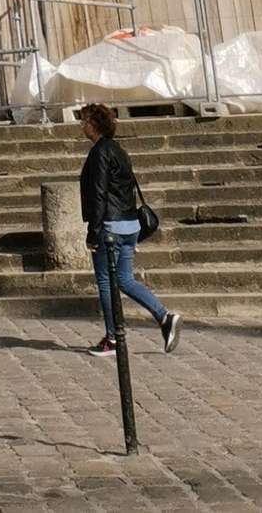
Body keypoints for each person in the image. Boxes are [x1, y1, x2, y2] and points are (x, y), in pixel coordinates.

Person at [78, 102, 180, 354]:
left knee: (105, 281)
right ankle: (164, 316)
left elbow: (99, 193)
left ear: (94, 124)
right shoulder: (119, 150)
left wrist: (93, 232)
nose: (81, 126)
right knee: (124, 279)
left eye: (84, 121)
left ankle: (112, 338)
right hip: (130, 224)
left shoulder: (100, 152)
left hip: (110, 227)